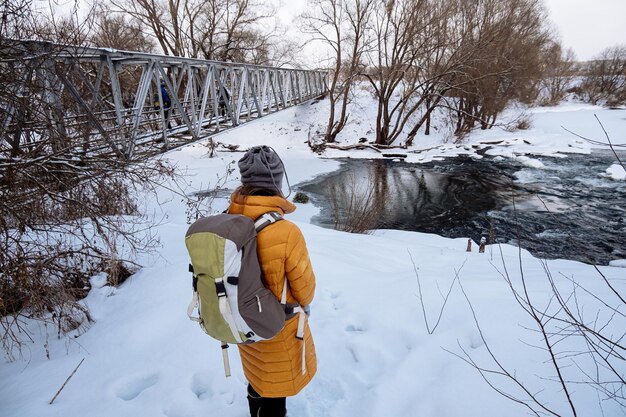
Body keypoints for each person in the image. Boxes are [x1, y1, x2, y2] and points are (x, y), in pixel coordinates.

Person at [228, 145, 317, 417]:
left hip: (240, 323)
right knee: (275, 395)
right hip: (277, 326)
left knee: (257, 377)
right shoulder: (286, 232)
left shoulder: (229, 220)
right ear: (276, 183)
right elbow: (305, 290)